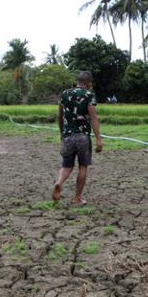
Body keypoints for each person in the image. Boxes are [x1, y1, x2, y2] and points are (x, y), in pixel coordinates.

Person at [52, 71, 102, 205]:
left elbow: (59, 116)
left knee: (67, 166)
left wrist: (62, 133)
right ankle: (77, 198)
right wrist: (98, 139)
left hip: (68, 136)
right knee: (83, 167)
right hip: (83, 137)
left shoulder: (65, 94)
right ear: (88, 83)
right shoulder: (89, 95)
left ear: (78, 81)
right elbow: (93, 117)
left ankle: (59, 182)